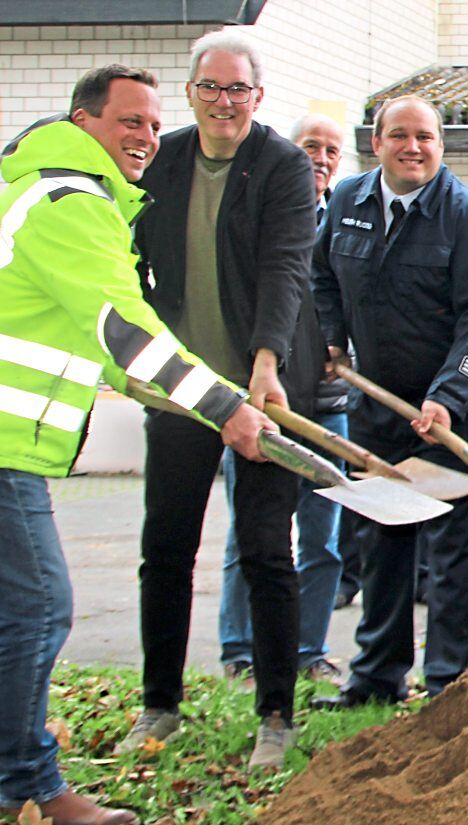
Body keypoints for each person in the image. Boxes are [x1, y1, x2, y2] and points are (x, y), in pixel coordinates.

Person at [1, 63, 277, 825]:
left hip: (11, 449)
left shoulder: (39, 190)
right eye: (130, 121)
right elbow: (125, 331)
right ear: (84, 121)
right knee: (37, 608)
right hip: (1, 453)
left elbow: (82, 335)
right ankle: (31, 783)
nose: (148, 138)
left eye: (155, 126)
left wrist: (150, 381)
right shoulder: (68, 202)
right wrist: (224, 404)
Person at [120, 32, 315, 770]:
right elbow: (124, 253)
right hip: (178, 390)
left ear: (257, 97)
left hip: (262, 389)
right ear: (192, 91)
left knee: (267, 550)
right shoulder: (159, 160)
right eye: (212, 88)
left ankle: (275, 715)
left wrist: (266, 362)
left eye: (238, 90)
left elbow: (286, 265)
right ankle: (159, 704)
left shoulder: (283, 165)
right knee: (165, 546)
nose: (225, 102)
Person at [309, 95, 468, 708]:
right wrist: (328, 337)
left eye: (425, 136)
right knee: (382, 540)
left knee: (454, 549)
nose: (413, 147)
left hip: (459, 413)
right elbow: (321, 278)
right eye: (399, 135)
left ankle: (452, 682)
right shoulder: (347, 203)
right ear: (378, 143)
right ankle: (377, 676)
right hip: (379, 406)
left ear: (440, 145)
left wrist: (448, 397)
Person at [216, 113, 353, 689]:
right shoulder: (265, 216)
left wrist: (343, 346)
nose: (320, 158)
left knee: (323, 535)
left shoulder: (348, 225)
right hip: (263, 400)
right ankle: (240, 648)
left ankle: (308, 648)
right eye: (310, 147)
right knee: (255, 529)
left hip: (327, 400)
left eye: (331, 150)